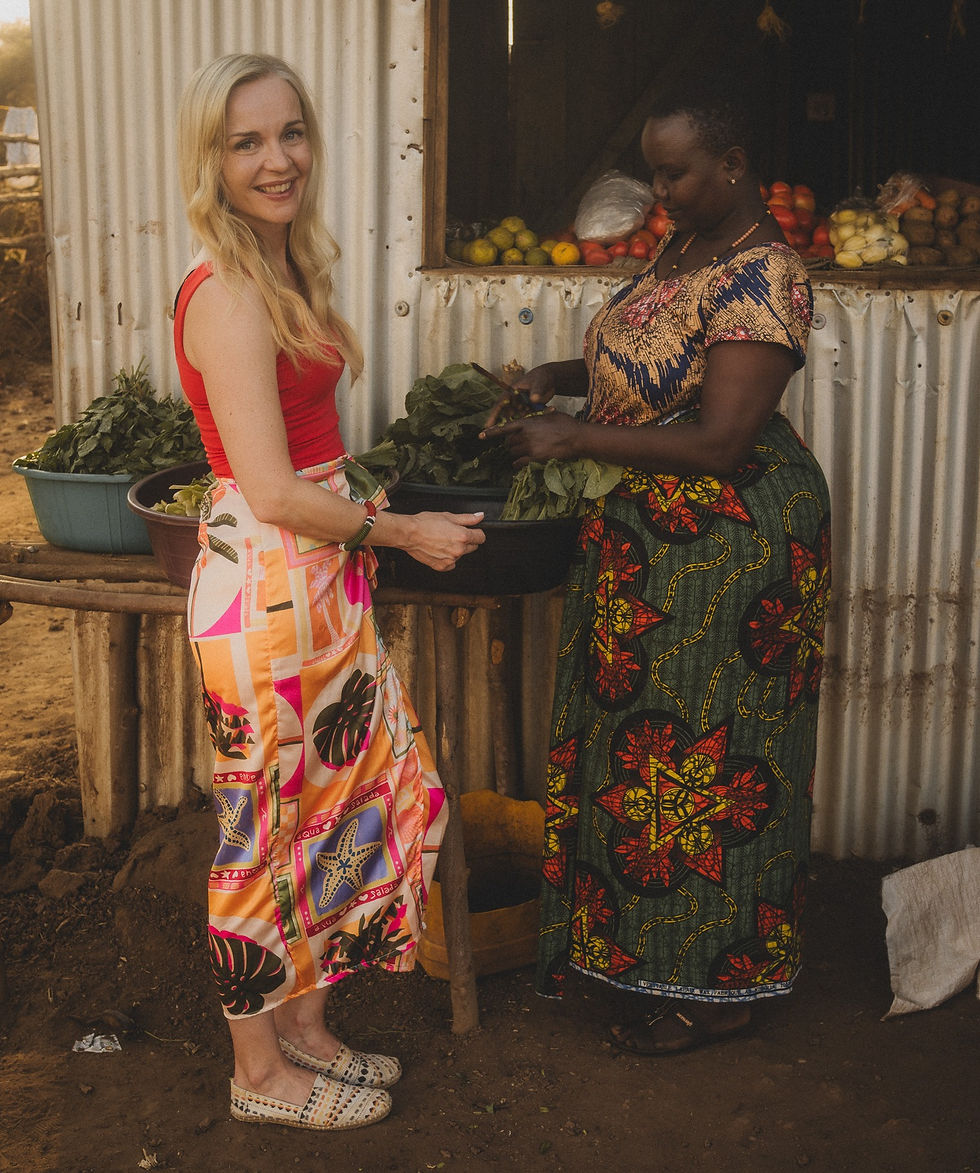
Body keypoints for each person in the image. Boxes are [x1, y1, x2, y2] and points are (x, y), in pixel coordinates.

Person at [483, 82, 830, 1055]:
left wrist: (574, 437)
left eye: (676, 170)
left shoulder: (767, 272)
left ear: (730, 164)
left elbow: (721, 439)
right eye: (654, 170)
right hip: (648, 542)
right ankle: (644, 952)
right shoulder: (686, 246)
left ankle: (721, 985)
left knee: (711, 765)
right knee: (643, 763)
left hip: (730, 547)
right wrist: (555, 380)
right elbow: (652, 364)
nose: (660, 188)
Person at [173, 53, 485, 1130]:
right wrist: (396, 529)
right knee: (261, 826)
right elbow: (265, 486)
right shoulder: (225, 293)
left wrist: (357, 511)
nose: (276, 160)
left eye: (289, 134)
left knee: (330, 808)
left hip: (311, 579)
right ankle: (256, 1074)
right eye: (246, 141)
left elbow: (301, 463)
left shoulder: (282, 270)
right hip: (262, 588)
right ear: (209, 158)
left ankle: (303, 1028)